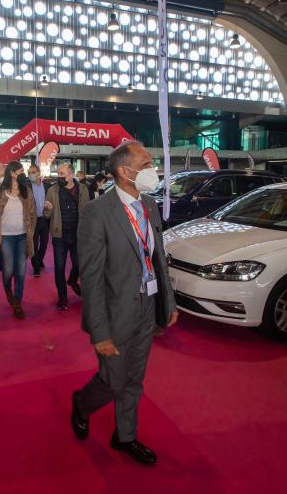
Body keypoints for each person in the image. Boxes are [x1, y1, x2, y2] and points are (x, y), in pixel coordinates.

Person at [71, 141, 179, 466]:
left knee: (134, 378)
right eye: (146, 163)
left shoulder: (149, 205)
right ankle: (82, 403)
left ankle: (125, 436)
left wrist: (168, 302)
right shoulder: (96, 212)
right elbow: (90, 278)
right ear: (125, 171)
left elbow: (157, 258)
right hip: (114, 312)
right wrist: (99, 332)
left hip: (148, 306)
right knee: (113, 380)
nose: (152, 169)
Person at [0, 161, 36, 319]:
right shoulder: (0, 191)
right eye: (20, 171)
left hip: (22, 236)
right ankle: (8, 289)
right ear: (12, 173)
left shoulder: (26, 190)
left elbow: (33, 212)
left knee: (20, 271)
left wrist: (30, 232)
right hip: (5, 236)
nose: (23, 174)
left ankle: (18, 301)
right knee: (7, 271)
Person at [44, 163, 89, 310]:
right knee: (59, 266)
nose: (59, 176)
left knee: (79, 264)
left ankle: (72, 280)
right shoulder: (52, 190)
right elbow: (47, 215)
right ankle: (62, 297)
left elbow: (88, 211)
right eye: (58, 173)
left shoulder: (82, 189)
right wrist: (47, 209)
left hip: (78, 235)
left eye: (62, 174)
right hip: (59, 235)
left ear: (70, 174)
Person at [28, 164, 50, 277]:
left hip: (45, 219)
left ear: (38, 173)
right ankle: (36, 267)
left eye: (33, 172)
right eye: (29, 172)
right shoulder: (26, 187)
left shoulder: (47, 186)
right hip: (32, 220)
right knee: (33, 244)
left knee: (45, 243)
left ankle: (40, 259)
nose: (31, 174)